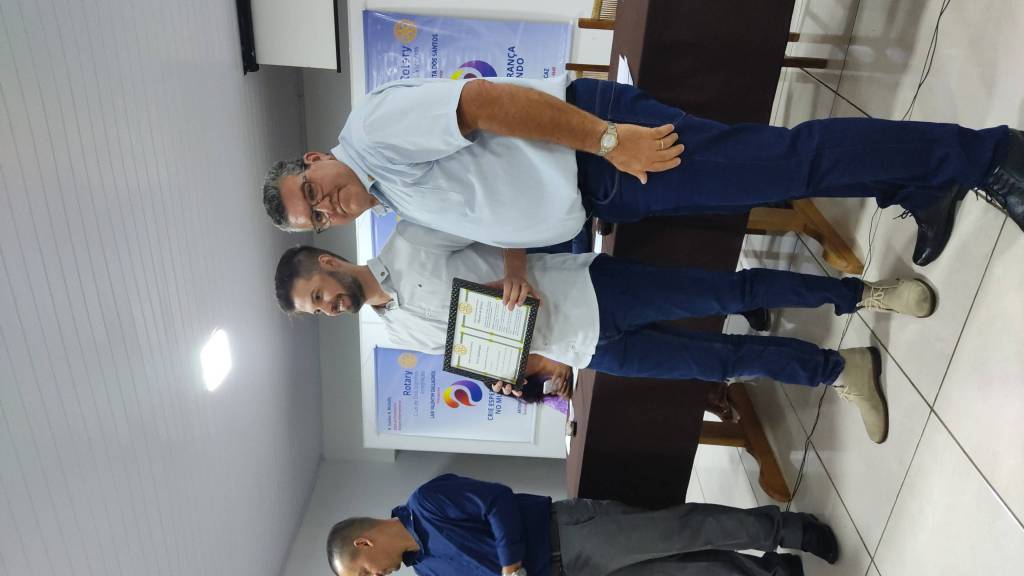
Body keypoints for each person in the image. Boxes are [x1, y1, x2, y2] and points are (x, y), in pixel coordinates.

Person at [261, 74, 1024, 306]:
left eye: (313, 190)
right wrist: (519, 254)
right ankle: (926, 181)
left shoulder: (374, 132)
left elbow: (487, 102)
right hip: (602, 192)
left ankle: (988, 155)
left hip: (600, 150)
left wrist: (606, 139)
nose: (327, 206)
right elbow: (488, 194)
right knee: (783, 172)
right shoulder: (388, 194)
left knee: (790, 164)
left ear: (314, 157)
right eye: (316, 218)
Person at [272, 220, 939, 444]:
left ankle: (863, 293)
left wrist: (514, 270)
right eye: (316, 312)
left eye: (318, 295)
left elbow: (506, 216)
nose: (328, 308)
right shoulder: (392, 328)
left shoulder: (410, 238)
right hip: (584, 349)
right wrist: (515, 372)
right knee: (719, 361)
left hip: (591, 289)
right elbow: (481, 342)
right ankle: (838, 370)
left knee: (732, 292)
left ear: (327, 261)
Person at [326, 473, 838, 576]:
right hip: (570, 574)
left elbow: (498, 502)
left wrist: (510, 564)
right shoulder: (426, 570)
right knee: (683, 572)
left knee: (685, 531)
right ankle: (772, 571)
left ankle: (791, 530)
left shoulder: (428, 502)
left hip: (568, 532)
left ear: (364, 543)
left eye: (364, 574)